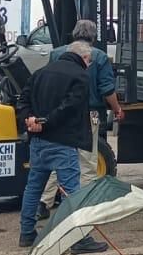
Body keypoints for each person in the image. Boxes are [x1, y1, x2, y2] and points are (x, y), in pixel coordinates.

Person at [18, 40, 106, 253]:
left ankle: (27, 233)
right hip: (63, 142)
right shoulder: (80, 76)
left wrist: (30, 119)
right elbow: (70, 107)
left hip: (38, 142)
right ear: (84, 58)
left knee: (34, 188)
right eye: (89, 61)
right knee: (71, 192)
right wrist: (46, 121)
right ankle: (77, 240)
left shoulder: (40, 72)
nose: (89, 64)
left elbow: (23, 99)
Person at [40, 19, 124, 215]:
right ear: (94, 37)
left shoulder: (57, 53)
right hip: (89, 114)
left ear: (74, 33)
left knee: (60, 158)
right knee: (87, 161)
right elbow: (107, 90)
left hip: (62, 113)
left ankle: (44, 202)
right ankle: (81, 205)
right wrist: (117, 109)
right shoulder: (99, 57)